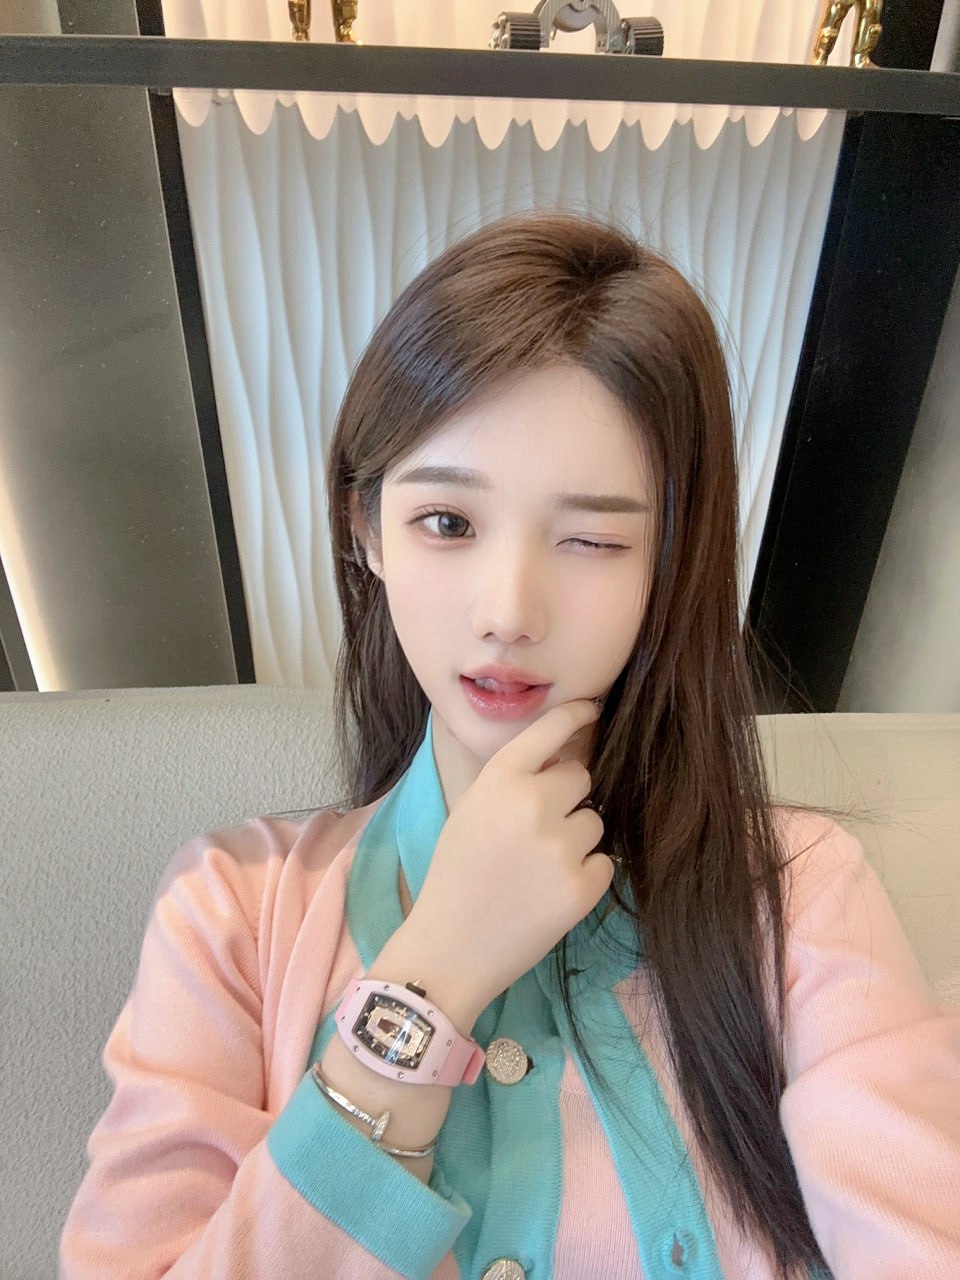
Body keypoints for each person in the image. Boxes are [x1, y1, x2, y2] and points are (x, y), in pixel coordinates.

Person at [59, 212, 960, 1280]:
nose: (508, 613)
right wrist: (435, 974)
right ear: (366, 527)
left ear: (670, 562)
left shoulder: (798, 892)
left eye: (592, 538)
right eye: (447, 522)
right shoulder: (230, 911)